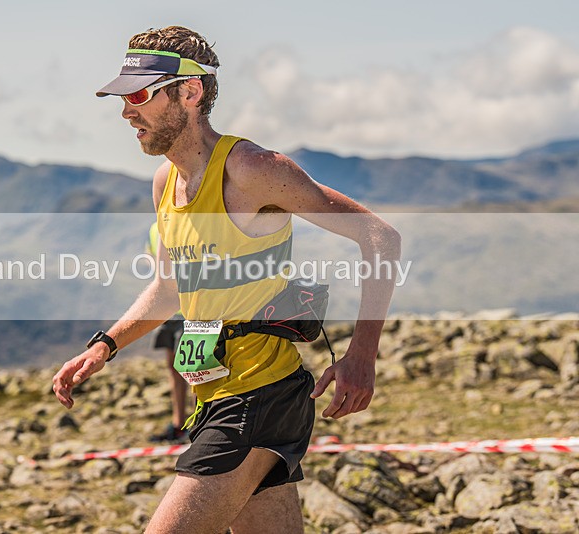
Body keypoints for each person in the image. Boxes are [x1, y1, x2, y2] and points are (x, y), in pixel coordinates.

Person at [53, 26, 401, 533]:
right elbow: (170, 290)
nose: (126, 112)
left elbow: (379, 237)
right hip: (216, 397)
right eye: (122, 98)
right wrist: (105, 346)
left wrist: (362, 355)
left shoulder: (253, 169)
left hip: (259, 395)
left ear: (189, 92)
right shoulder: (166, 182)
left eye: (139, 96)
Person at [145, 222, 188, 443]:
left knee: (195, 368)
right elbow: (151, 256)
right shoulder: (155, 228)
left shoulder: (190, 221)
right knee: (173, 367)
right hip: (170, 311)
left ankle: (201, 424)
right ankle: (179, 424)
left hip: (191, 309)